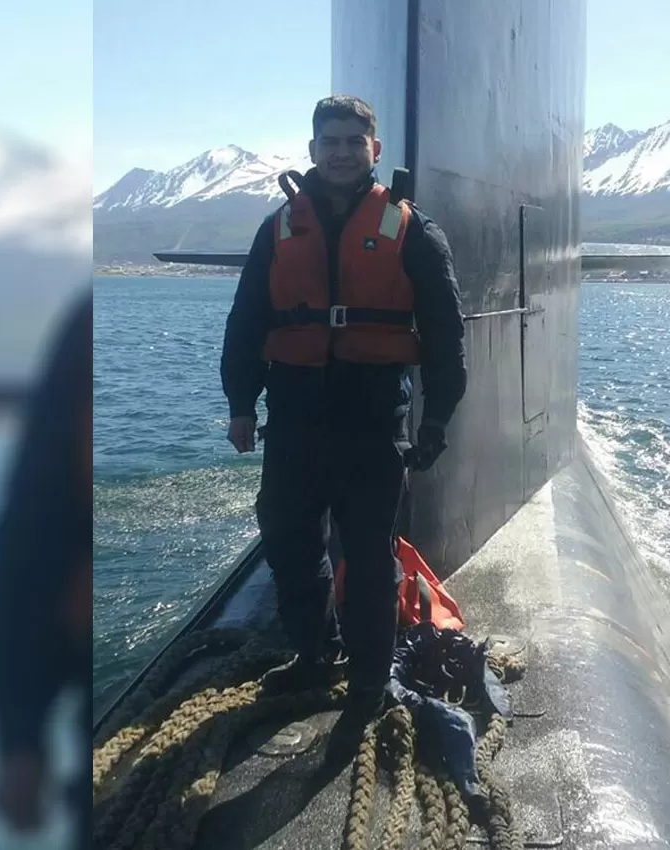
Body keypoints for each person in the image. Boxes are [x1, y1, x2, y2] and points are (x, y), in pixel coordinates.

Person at [220, 94, 468, 738]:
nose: (339, 152)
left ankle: (367, 680)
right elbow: (246, 323)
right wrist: (241, 404)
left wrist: (437, 420)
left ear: (374, 152)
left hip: (371, 417)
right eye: (328, 141)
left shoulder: (412, 230)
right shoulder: (277, 229)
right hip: (296, 415)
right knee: (286, 533)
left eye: (352, 143)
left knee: (369, 550)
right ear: (311, 151)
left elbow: (444, 335)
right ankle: (313, 653)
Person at [0, 288, 93, 850]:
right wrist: (19, 733)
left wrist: (17, 733)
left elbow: (23, 536)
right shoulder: (82, 333)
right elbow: (31, 536)